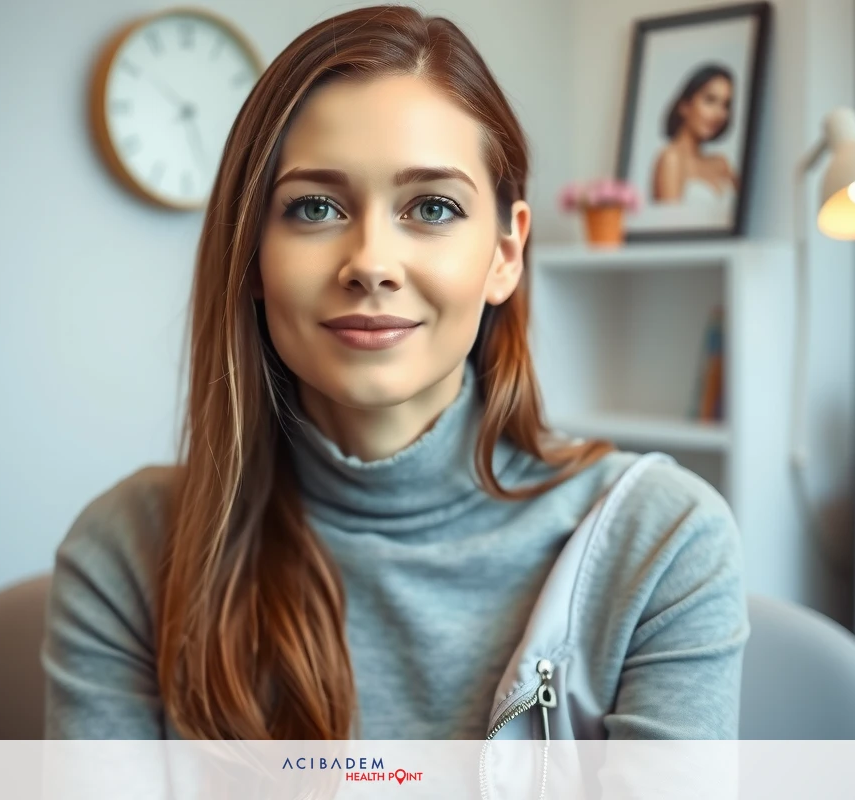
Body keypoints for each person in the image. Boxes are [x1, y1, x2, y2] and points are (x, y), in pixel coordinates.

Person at [42, 5, 750, 742]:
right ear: (251, 254)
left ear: (505, 254)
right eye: (314, 207)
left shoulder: (662, 540)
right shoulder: (128, 549)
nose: (372, 264)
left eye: (433, 207)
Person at [651, 64, 739, 204]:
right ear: (685, 106)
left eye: (725, 105)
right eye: (710, 100)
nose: (719, 114)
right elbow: (669, 223)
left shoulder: (722, 164)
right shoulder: (671, 158)